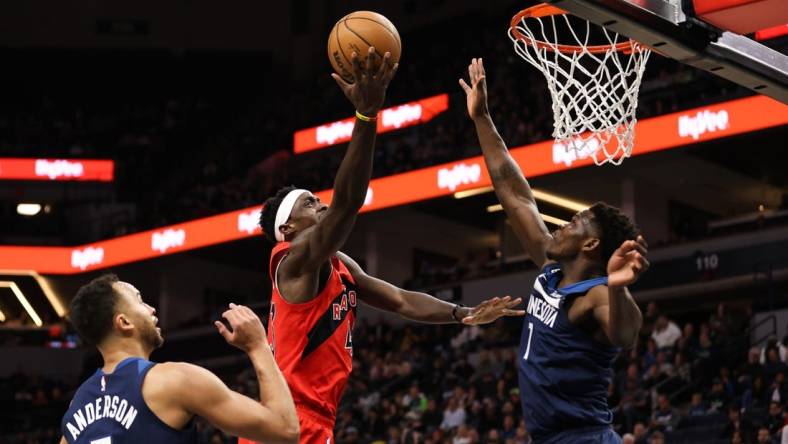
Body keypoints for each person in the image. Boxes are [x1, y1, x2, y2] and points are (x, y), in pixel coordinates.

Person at [256, 49, 524, 444]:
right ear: (289, 226)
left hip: (311, 419)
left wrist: (462, 313)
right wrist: (365, 117)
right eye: (311, 202)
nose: (323, 203)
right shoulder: (291, 262)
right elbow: (347, 204)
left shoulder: (336, 263)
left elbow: (398, 300)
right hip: (289, 419)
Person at [460, 58, 649, 443]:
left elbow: (625, 334)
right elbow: (513, 192)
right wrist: (482, 119)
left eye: (575, 223)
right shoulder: (550, 268)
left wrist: (617, 286)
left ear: (591, 244)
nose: (562, 225)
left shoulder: (594, 293)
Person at [59, 274, 299, 444]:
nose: (152, 308)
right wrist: (258, 346)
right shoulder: (174, 380)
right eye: (140, 300)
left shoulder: (76, 406)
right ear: (124, 322)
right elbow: (285, 430)